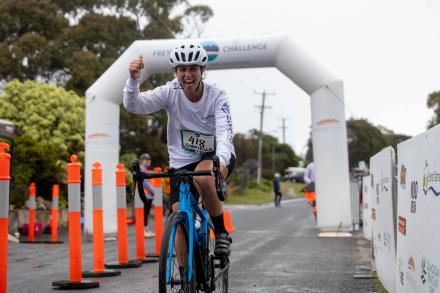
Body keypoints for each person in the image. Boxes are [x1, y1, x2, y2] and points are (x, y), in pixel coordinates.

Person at [123, 43, 235, 257]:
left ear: (203, 71)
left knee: (204, 178)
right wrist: (133, 79)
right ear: (175, 72)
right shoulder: (169, 91)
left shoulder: (217, 96)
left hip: (213, 155)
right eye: (182, 69)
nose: (188, 74)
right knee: (178, 215)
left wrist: (220, 159)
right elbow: (135, 105)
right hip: (181, 161)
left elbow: (224, 133)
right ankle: (186, 278)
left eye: (193, 68)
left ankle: (221, 233)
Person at [139, 153, 155, 238]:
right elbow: (145, 183)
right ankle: (144, 230)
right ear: (142, 161)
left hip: (148, 195)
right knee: (144, 213)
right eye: (146, 160)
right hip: (145, 195)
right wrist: (155, 192)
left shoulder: (145, 169)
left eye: (149, 160)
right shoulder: (142, 169)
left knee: (146, 213)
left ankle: (146, 229)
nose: (148, 161)